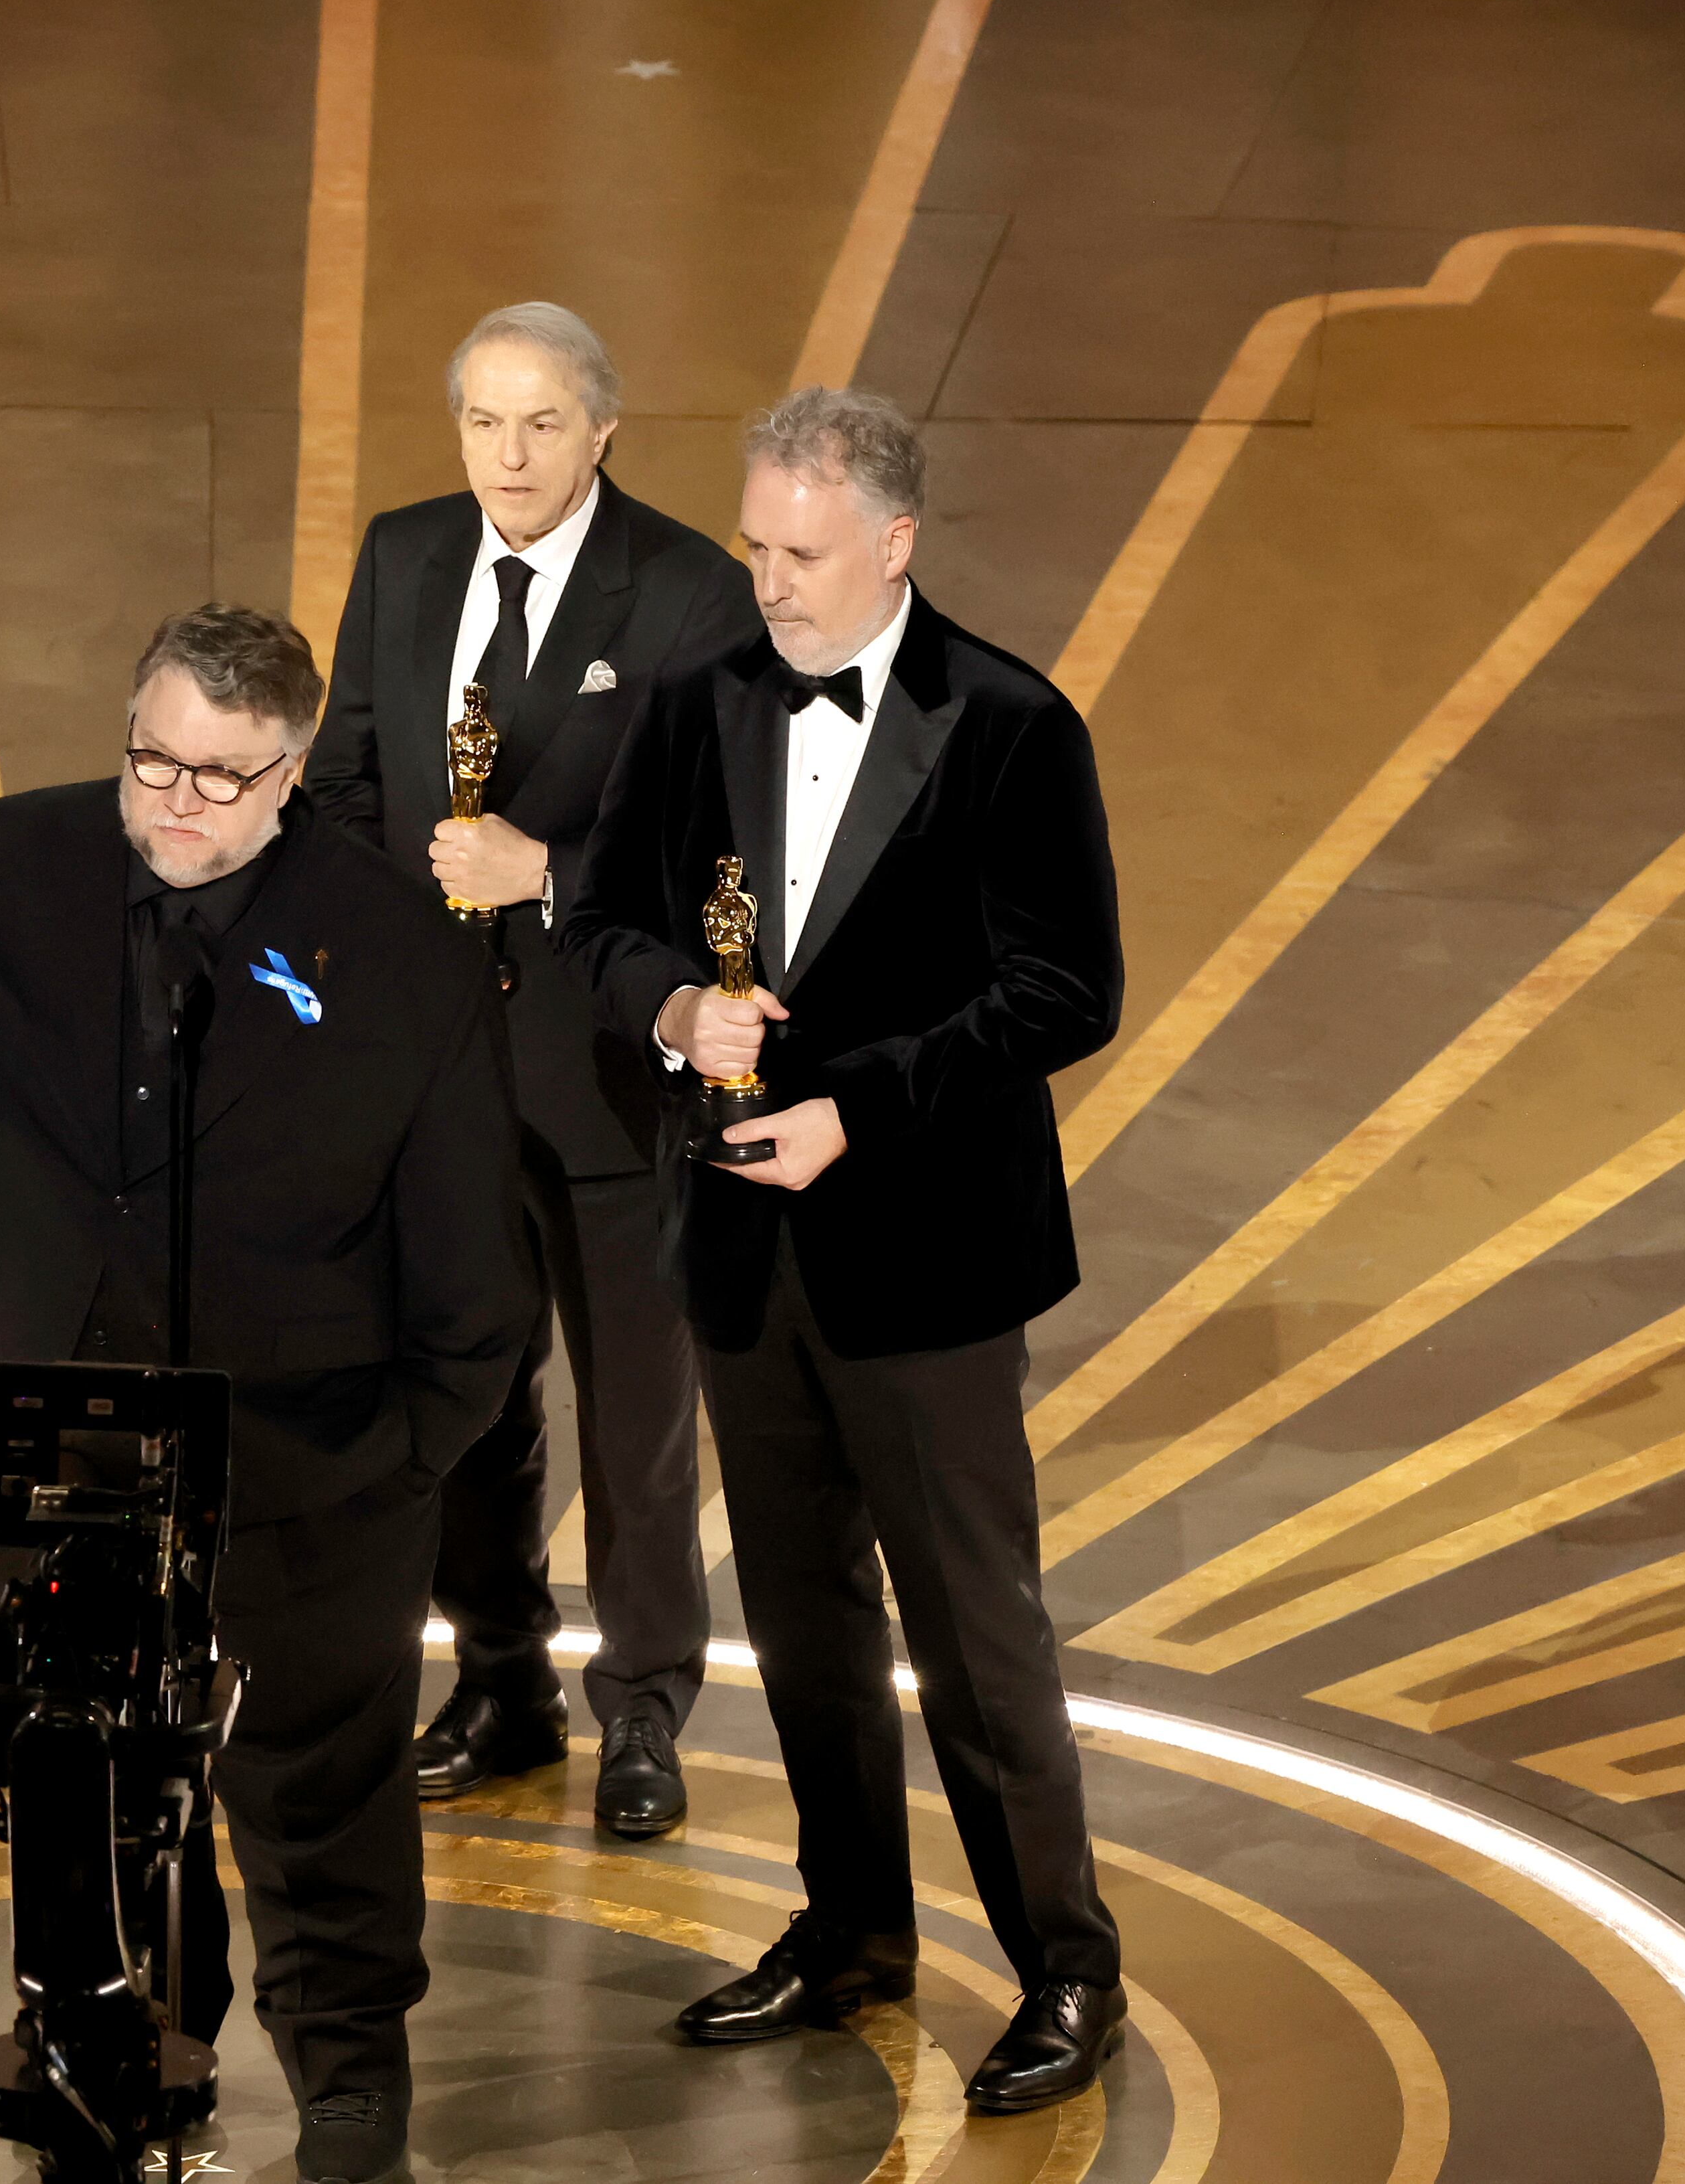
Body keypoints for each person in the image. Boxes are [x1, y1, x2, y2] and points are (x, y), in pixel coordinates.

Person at [0, 606, 537, 2184]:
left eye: (220, 778)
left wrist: (399, 1457)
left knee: (320, 1792)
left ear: (292, 773)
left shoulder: (398, 949)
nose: (177, 805)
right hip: (43, 1435)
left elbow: (473, 1263)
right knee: (76, 1779)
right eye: (153, 763)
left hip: (306, 1458)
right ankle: (103, 2052)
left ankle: (347, 2085)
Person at [557, 387, 1129, 2112]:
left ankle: (1066, 1965)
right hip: (744, 1247)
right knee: (804, 1621)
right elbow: (601, 924)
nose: (771, 583)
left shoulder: (1011, 723)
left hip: (929, 1262)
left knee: (973, 1632)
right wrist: (673, 1011)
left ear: (892, 543)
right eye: (753, 545)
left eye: (800, 553)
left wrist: (853, 1108)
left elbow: (1063, 990)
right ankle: (851, 1930)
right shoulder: (696, 700)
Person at [313, 301, 759, 1840]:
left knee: (636, 1417)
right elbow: (348, 779)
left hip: (614, 1081)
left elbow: (715, 838)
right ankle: (498, 1682)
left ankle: (641, 1709)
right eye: (483, 424)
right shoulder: (403, 552)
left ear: (603, 430)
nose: (509, 456)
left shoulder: (693, 592)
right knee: (464, 1400)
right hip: (436, 1076)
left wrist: (545, 872)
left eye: (542, 425)